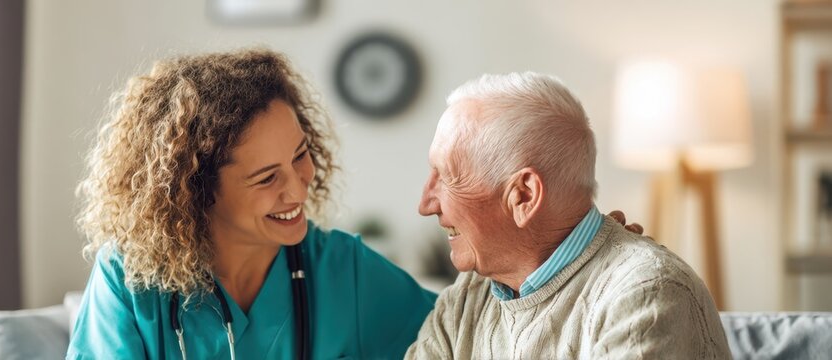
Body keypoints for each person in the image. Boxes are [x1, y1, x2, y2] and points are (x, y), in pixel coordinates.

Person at [66, 49, 437, 359]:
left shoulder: (343, 270)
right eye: (266, 178)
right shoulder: (129, 279)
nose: (297, 190)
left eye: (300, 155)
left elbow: (462, 330)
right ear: (196, 191)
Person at [406, 72, 732, 359]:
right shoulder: (467, 298)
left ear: (524, 195)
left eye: (446, 177)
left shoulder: (645, 294)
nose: (426, 204)